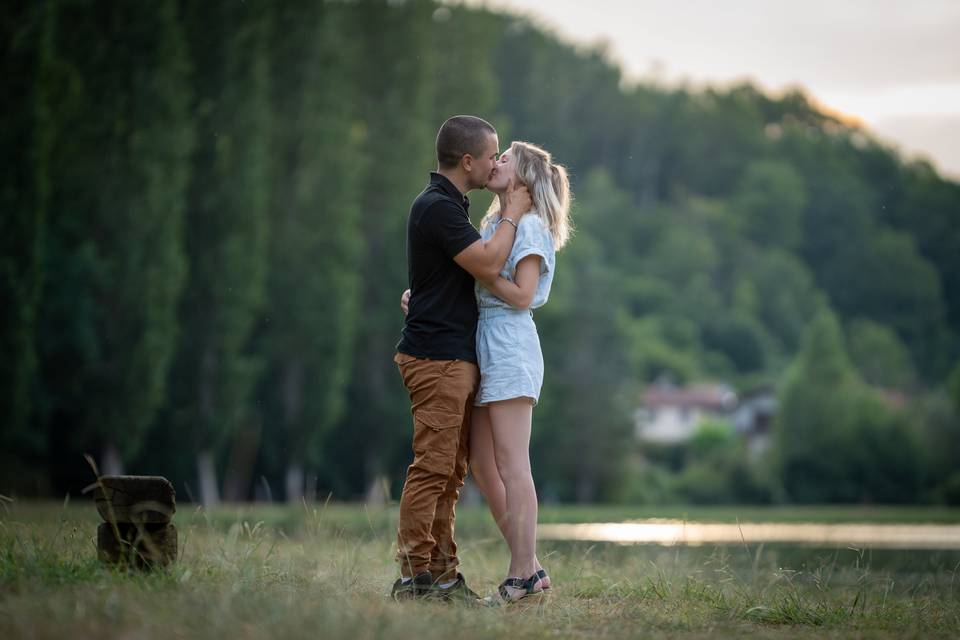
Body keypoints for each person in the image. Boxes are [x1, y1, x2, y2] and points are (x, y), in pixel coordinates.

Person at [391, 115, 532, 603]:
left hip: (452, 356)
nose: (496, 163)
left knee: (450, 474)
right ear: (468, 161)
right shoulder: (437, 208)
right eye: (492, 154)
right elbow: (491, 263)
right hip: (437, 359)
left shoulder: (450, 208)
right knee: (433, 469)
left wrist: (421, 296)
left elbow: (450, 277)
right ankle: (414, 576)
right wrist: (512, 210)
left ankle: (444, 576)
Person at [467, 140, 572, 604]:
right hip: (486, 343)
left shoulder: (528, 227)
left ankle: (519, 576)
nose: (495, 162)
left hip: (510, 345)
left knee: (512, 464)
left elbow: (523, 295)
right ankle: (529, 567)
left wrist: (480, 270)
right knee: (481, 463)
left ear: (524, 178)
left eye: (505, 158)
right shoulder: (495, 221)